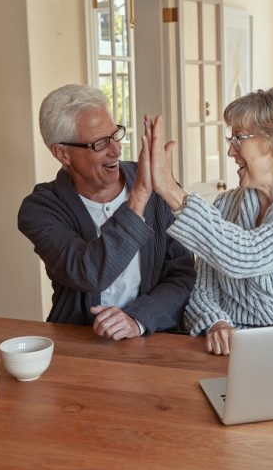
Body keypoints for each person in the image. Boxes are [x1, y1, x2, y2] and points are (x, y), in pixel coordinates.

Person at [147, 87, 273, 355]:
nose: (230, 151)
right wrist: (215, 323)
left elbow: (248, 254)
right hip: (236, 353)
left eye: (239, 138)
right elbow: (202, 291)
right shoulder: (225, 205)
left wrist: (171, 191)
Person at [18, 84, 195, 340]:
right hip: (78, 343)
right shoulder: (41, 208)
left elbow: (183, 275)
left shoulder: (159, 185)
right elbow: (88, 273)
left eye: (115, 135)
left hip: (155, 338)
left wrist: (137, 318)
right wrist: (139, 197)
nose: (116, 149)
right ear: (63, 153)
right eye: (100, 143)